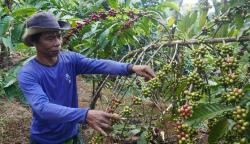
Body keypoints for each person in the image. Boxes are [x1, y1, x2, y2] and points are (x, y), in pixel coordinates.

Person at [17, 11, 155, 144]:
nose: (58, 42)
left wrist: (131, 68)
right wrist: (84, 115)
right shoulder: (29, 73)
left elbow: (98, 64)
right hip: (46, 139)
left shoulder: (70, 59)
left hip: (72, 133)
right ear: (34, 42)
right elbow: (42, 108)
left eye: (58, 36)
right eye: (50, 38)